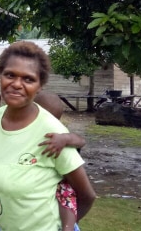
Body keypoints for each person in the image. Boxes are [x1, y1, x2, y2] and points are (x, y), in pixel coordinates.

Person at [0, 41, 96, 231]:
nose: (17, 84)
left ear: (40, 86)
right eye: (10, 75)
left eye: (28, 79)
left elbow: (87, 196)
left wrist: (66, 227)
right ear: (0, 76)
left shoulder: (51, 133)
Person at [35, 91, 87, 231]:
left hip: (61, 180)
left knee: (65, 195)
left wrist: (64, 139)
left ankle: (68, 227)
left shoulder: (58, 134)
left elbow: (81, 141)